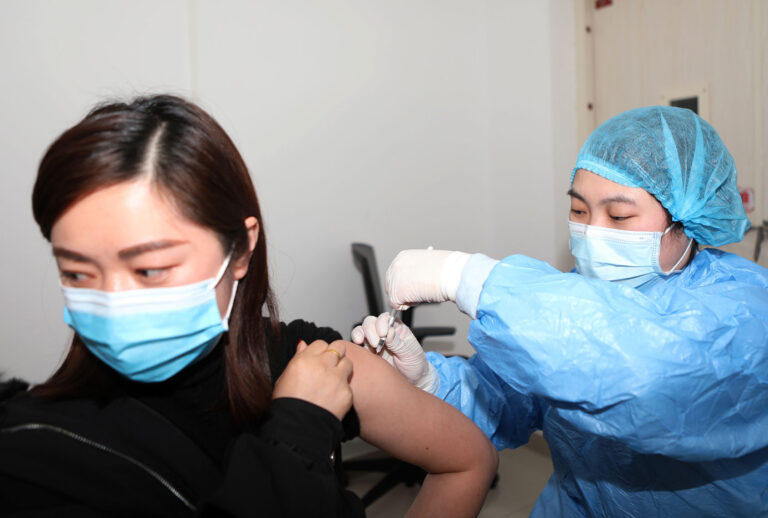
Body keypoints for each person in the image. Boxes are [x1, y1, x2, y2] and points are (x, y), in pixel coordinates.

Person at [0, 94, 498, 517]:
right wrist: (298, 428)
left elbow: (468, 460)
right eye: (78, 273)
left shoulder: (308, 361)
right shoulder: (35, 451)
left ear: (239, 249)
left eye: (150, 270)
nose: (113, 303)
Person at [353, 106, 768, 517]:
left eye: (619, 215)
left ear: (686, 221)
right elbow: (502, 400)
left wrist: (468, 277)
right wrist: (429, 382)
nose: (593, 232)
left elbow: (647, 376)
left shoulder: (743, 310)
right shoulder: (573, 300)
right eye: (579, 211)